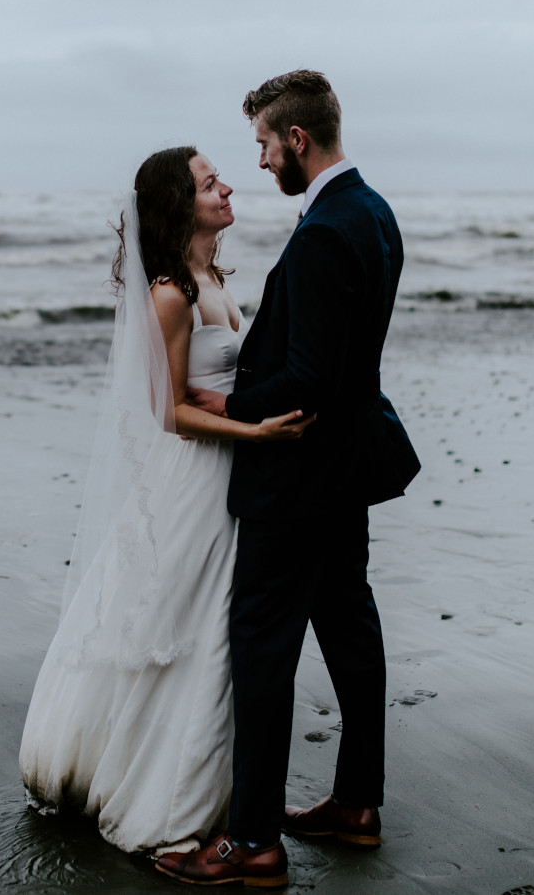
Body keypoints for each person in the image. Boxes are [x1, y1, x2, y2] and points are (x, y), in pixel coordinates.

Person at [157, 70, 420, 887]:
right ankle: (356, 802)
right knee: (350, 628)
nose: (264, 162)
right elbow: (347, 361)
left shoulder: (322, 233)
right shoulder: (374, 213)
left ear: (297, 140)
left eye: (266, 146)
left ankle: (253, 842)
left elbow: (305, 374)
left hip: (298, 477)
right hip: (348, 467)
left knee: (262, 649)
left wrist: (226, 398)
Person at [18, 146, 313, 854]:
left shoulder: (212, 276)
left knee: (214, 630)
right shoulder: (171, 292)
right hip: (197, 478)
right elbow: (168, 410)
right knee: (190, 628)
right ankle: (164, 798)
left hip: (228, 475)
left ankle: (223, 785)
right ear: (182, 205)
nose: (227, 187)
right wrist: (255, 426)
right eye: (211, 183)